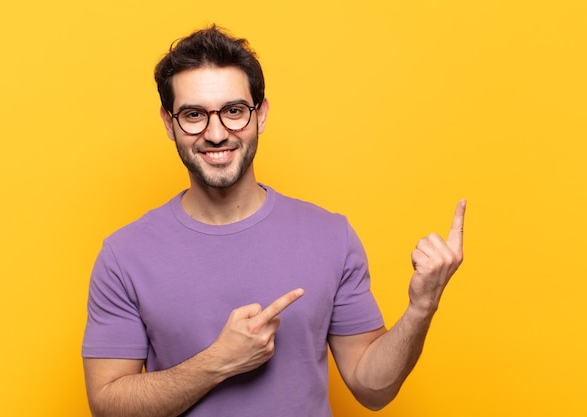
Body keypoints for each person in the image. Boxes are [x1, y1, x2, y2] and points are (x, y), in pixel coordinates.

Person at [82, 25, 466, 417]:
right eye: (194, 115)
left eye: (234, 111)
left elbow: (373, 389)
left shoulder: (330, 236)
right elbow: (108, 406)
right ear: (169, 123)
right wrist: (218, 361)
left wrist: (422, 306)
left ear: (260, 115)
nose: (216, 133)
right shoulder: (124, 255)